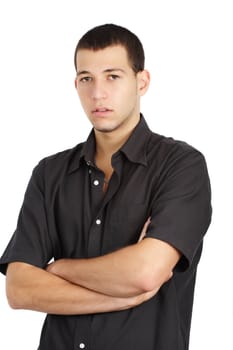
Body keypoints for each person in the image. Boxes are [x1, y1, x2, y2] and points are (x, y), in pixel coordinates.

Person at [0, 23, 212, 350]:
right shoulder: (49, 173)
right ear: (76, 84)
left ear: (142, 82)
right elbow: (19, 289)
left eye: (113, 76)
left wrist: (59, 268)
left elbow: (145, 273)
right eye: (87, 78)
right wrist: (125, 298)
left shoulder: (181, 166)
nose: (98, 93)